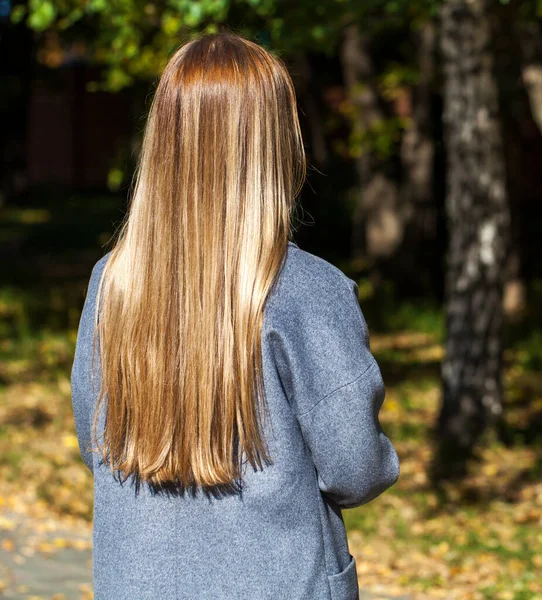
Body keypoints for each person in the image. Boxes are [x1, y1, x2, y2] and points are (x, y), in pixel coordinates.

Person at [70, 31, 400, 600]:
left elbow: (94, 442)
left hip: (135, 581)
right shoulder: (305, 289)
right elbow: (355, 467)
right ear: (275, 142)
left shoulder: (113, 281)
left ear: (164, 139)